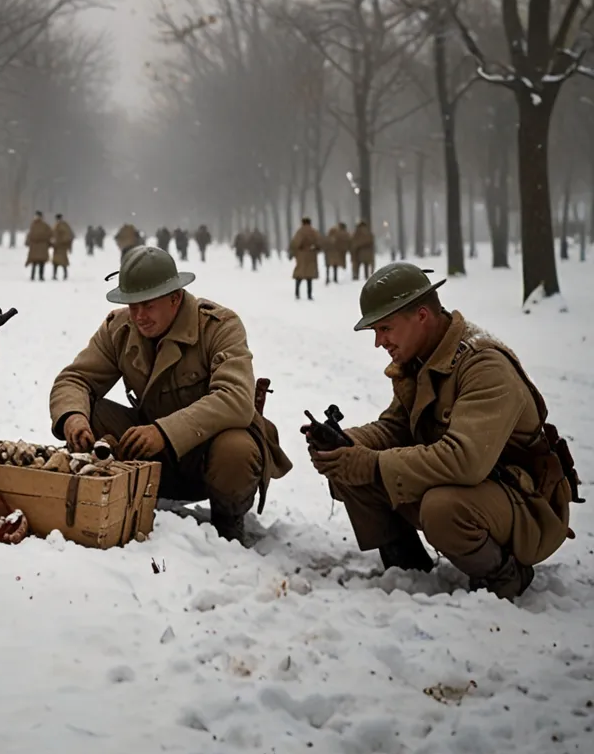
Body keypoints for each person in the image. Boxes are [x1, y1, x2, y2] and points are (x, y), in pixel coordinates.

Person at [303, 263, 579, 599]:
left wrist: (371, 464)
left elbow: (465, 460)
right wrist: (347, 445)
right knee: (351, 466)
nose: (379, 342)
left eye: (385, 328)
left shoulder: (483, 365)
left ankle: (505, 577)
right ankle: (408, 570)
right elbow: (396, 427)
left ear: (421, 316)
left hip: (527, 505)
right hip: (480, 490)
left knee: (439, 506)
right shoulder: (422, 357)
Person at [49, 246, 291, 542]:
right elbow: (75, 379)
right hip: (149, 450)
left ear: (175, 298)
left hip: (208, 456)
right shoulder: (119, 329)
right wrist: (73, 417)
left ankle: (228, 523)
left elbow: (236, 399)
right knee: (90, 411)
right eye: (132, 305)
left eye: (148, 305)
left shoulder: (219, 326)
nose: (138, 316)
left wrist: (164, 432)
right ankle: (111, 501)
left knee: (236, 449)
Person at [289, 216, 321, 300]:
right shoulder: (314, 232)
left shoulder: (300, 232)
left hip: (302, 255)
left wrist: (293, 252)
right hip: (311, 255)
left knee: (299, 274)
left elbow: (296, 243)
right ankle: (309, 294)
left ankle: (297, 293)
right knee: (309, 276)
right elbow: (319, 243)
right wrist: (316, 248)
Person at [26, 211, 52, 281]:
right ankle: (35, 276)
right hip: (37, 246)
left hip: (39, 246)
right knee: (36, 262)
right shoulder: (35, 225)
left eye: (37, 216)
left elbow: (50, 234)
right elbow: (30, 234)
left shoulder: (41, 225)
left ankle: (38, 276)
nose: (36, 217)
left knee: (39, 262)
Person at [51, 213, 75, 280]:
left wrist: (62, 241)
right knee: (57, 262)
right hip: (57, 247)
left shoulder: (63, 225)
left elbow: (69, 235)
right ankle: (56, 275)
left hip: (61, 247)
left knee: (62, 262)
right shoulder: (58, 225)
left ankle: (64, 275)